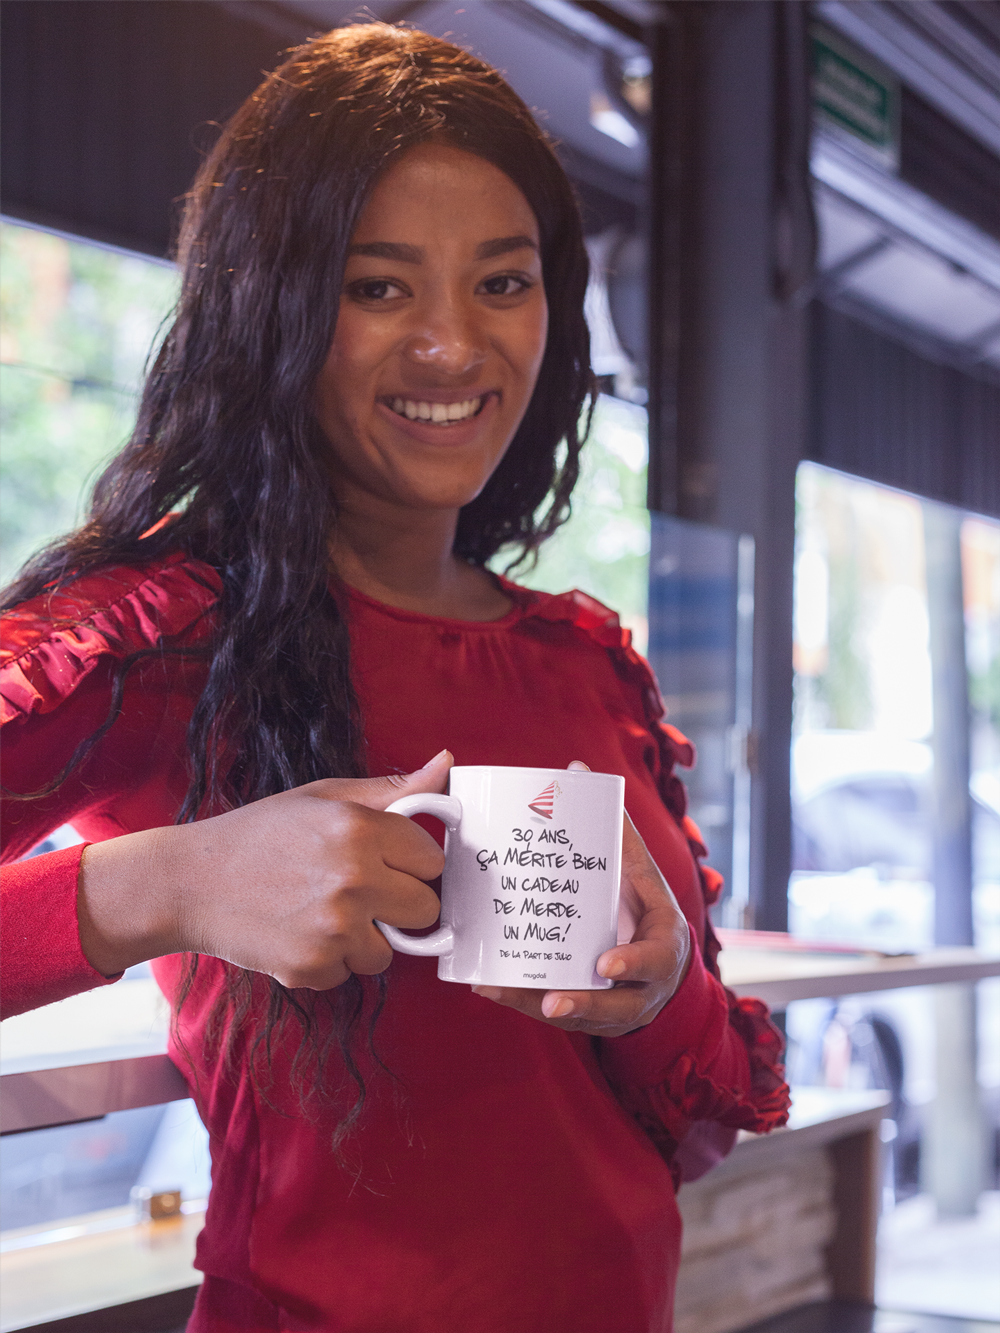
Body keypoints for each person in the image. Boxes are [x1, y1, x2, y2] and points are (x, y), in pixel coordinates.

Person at [0, 24, 789, 1331]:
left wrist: (656, 999)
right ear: (274, 310)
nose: (451, 347)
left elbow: (715, 1104)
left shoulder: (586, 665)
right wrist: (167, 886)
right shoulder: (167, 636)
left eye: (501, 282)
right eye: (377, 288)